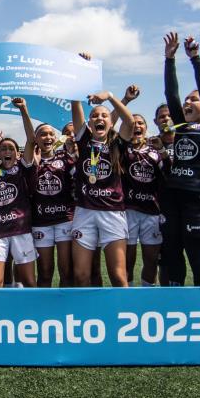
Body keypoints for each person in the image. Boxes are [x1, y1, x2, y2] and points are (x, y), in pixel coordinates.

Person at [160, 32, 200, 286]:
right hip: (173, 196)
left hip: (198, 200)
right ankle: (176, 304)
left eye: (193, 100)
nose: (187, 102)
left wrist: (195, 59)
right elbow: (170, 93)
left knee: (198, 258)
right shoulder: (181, 126)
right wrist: (169, 59)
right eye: (188, 99)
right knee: (173, 255)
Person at [69, 85, 136, 288]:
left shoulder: (118, 144)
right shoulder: (84, 141)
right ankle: (88, 318)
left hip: (112, 213)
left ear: (110, 122)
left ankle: (124, 317)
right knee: (81, 276)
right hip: (85, 212)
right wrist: (78, 73)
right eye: (95, 115)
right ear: (89, 122)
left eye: (104, 115)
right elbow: (75, 103)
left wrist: (110, 97)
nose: (99, 118)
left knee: (118, 275)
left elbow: (130, 121)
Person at [0, 97, 37, 288]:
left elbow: (31, 139)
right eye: (3, 148)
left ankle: (32, 316)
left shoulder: (23, 167)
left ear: (17, 153)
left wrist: (23, 109)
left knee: (29, 281)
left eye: (10, 148)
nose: (7, 151)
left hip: (21, 230)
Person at [121, 107, 166, 286]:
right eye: (133, 123)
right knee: (127, 259)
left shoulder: (155, 151)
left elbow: (168, 175)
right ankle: (128, 294)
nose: (136, 126)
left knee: (151, 258)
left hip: (152, 211)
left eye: (140, 123)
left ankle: (147, 294)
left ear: (146, 128)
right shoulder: (122, 150)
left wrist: (162, 151)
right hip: (128, 211)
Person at [30, 120, 76, 287]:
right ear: (35, 139)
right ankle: (43, 311)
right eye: (43, 134)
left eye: (50, 134)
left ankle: (66, 311)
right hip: (41, 222)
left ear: (56, 138)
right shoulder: (30, 160)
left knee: (66, 271)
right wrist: (35, 165)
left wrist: (75, 157)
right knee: (45, 272)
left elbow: (80, 179)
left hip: (64, 219)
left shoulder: (65, 158)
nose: (47, 137)